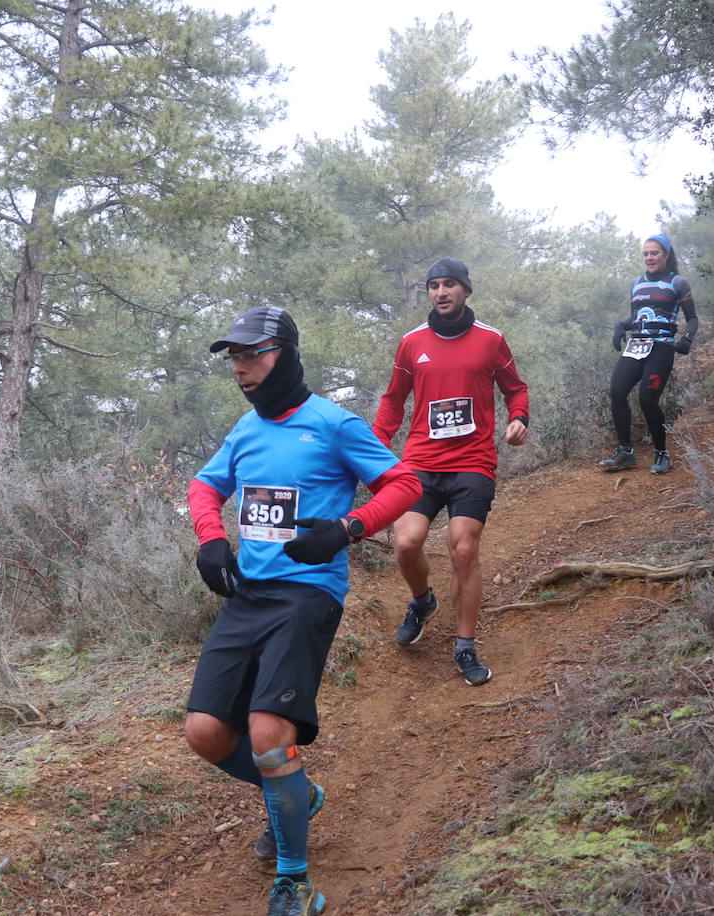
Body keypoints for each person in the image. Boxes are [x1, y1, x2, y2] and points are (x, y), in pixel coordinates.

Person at [184, 305, 421, 916]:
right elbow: (206, 485)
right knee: (206, 734)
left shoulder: (333, 425)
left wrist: (347, 528)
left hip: (308, 594)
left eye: (253, 355)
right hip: (249, 596)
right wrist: (211, 538)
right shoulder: (245, 429)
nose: (242, 368)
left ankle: (294, 881)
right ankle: (296, 793)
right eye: (235, 358)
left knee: (267, 734)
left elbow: (403, 484)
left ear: (285, 354)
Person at [372, 257, 530, 687]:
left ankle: (465, 645)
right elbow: (392, 400)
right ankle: (422, 602)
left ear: (466, 290)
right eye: (434, 286)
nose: (441, 292)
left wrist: (520, 417)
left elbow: (515, 388)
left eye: (450, 285)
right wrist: (373, 447)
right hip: (421, 462)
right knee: (406, 542)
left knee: (463, 549)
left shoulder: (490, 341)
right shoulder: (411, 343)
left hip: (473, 462)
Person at [599, 233, 699, 475]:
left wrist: (687, 339)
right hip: (637, 345)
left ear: (665, 255)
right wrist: (621, 326)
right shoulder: (636, 283)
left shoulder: (678, 283)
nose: (649, 257)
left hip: (662, 347)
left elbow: (693, 318)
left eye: (654, 253)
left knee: (647, 399)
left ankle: (662, 454)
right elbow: (637, 315)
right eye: (645, 253)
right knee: (617, 391)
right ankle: (625, 452)